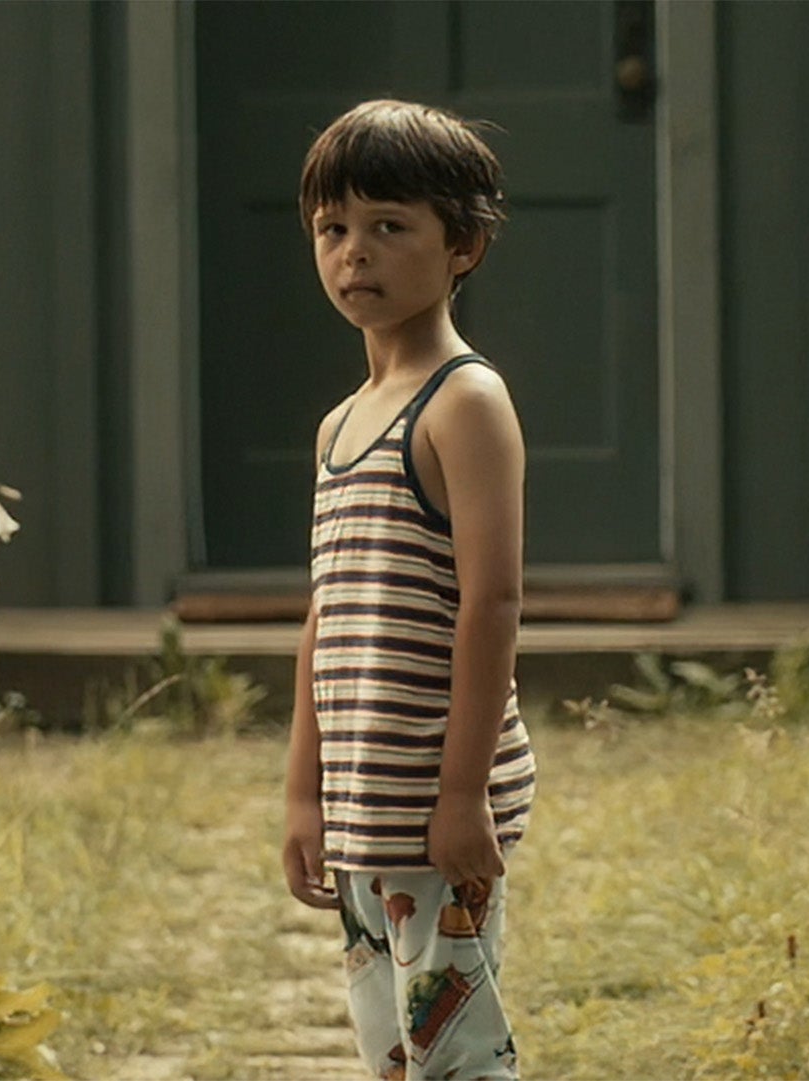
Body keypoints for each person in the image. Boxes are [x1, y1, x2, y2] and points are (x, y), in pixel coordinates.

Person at [281, 99, 537, 1081]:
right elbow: (325, 614)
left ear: (462, 244)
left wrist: (462, 793)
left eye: (391, 227)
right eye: (333, 228)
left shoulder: (464, 401)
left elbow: (492, 604)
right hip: (361, 803)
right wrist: (305, 790)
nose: (355, 254)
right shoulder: (342, 423)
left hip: (436, 796)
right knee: (393, 1049)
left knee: (457, 1055)